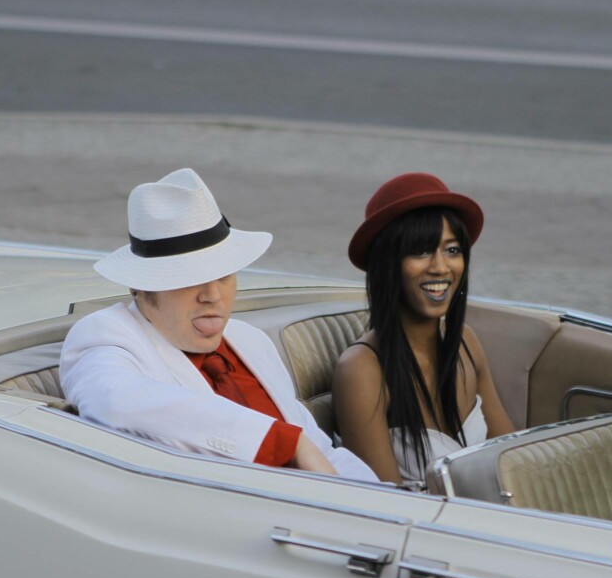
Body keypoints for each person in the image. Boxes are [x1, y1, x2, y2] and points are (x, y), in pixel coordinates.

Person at [60, 168, 377, 481]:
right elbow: (115, 400)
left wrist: (390, 500)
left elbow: (319, 448)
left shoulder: (251, 341)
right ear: (139, 286)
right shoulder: (107, 335)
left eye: (224, 275)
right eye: (189, 279)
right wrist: (281, 442)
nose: (213, 295)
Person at [332, 173, 515, 486]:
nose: (440, 267)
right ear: (388, 264)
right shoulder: (362, 370)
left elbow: (511, 456)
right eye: (420, 251)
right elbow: (384, 504)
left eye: (453, 250)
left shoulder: (465, 343)